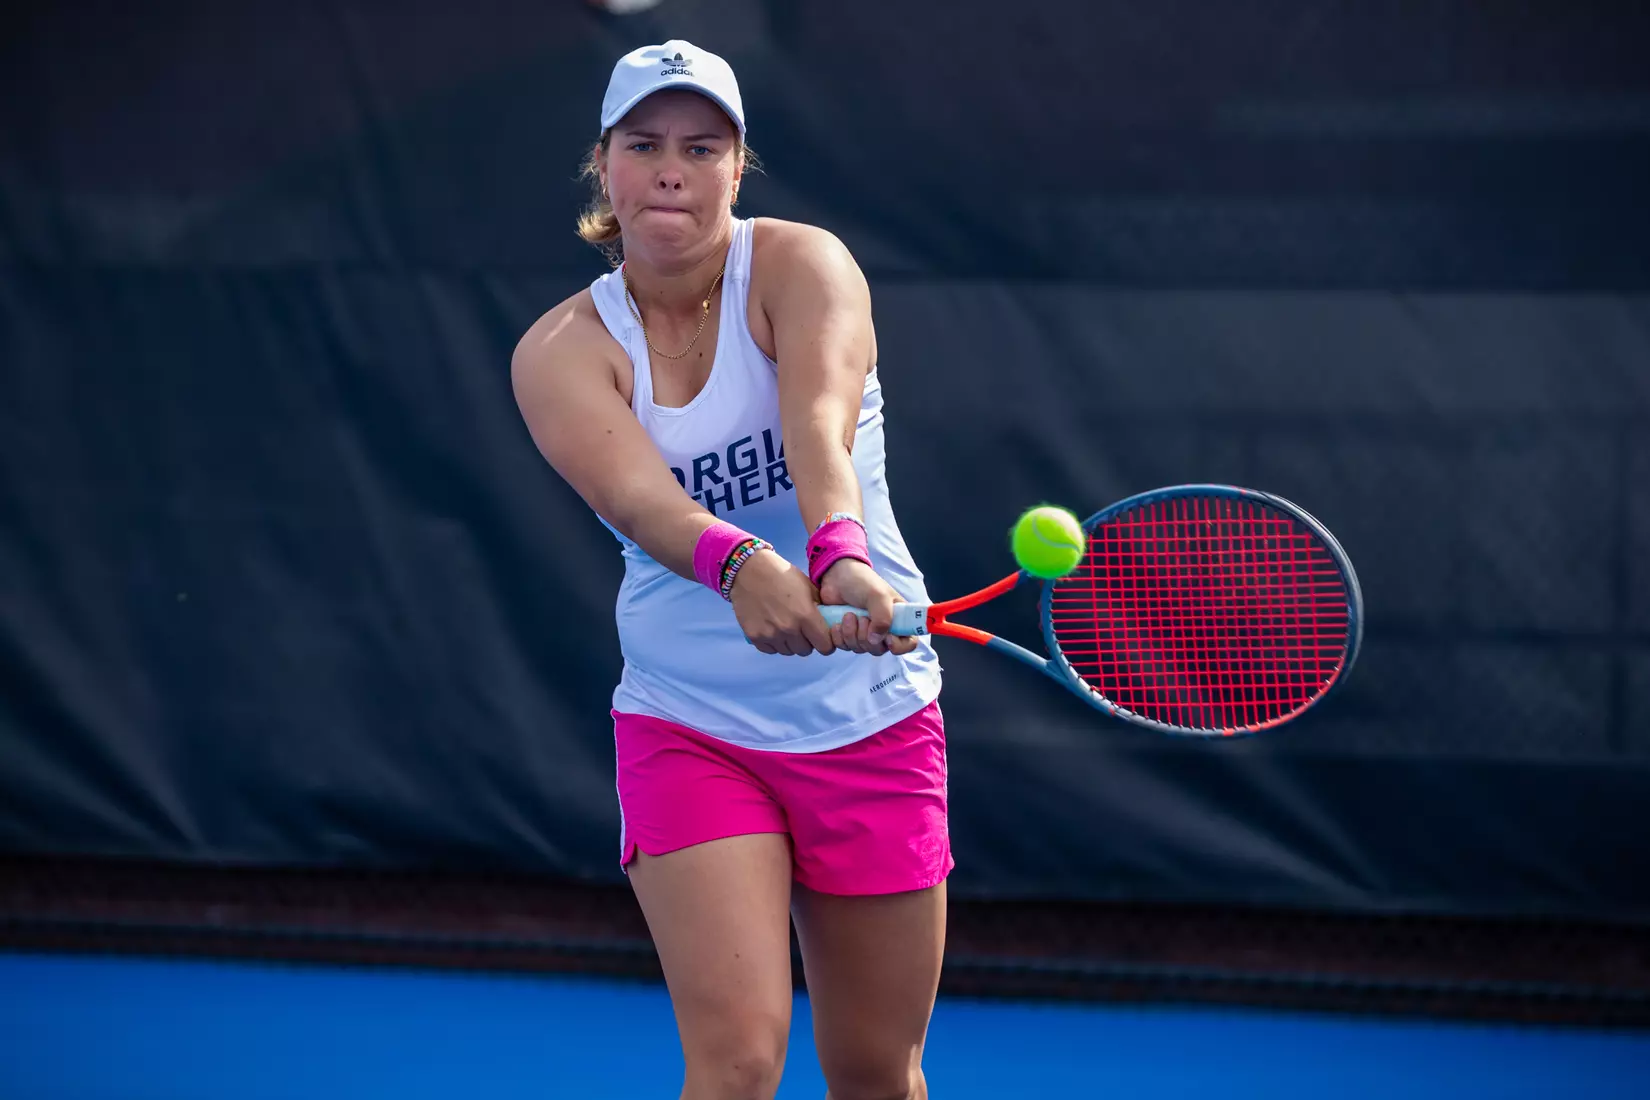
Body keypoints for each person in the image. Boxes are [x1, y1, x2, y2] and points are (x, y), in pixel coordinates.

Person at [512, 40, 947, 1100]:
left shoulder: (805, 265)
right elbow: (638, 498)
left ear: (737, 168)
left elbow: (817, 422)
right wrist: (743, 561)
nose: (672, 169)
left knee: (875, 1073)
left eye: (701, 147)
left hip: (873, 710)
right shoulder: (561, 349)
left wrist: (836, 548)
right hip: (690, 723)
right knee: (739, 1063)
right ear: (603, 168)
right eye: (645, 145)